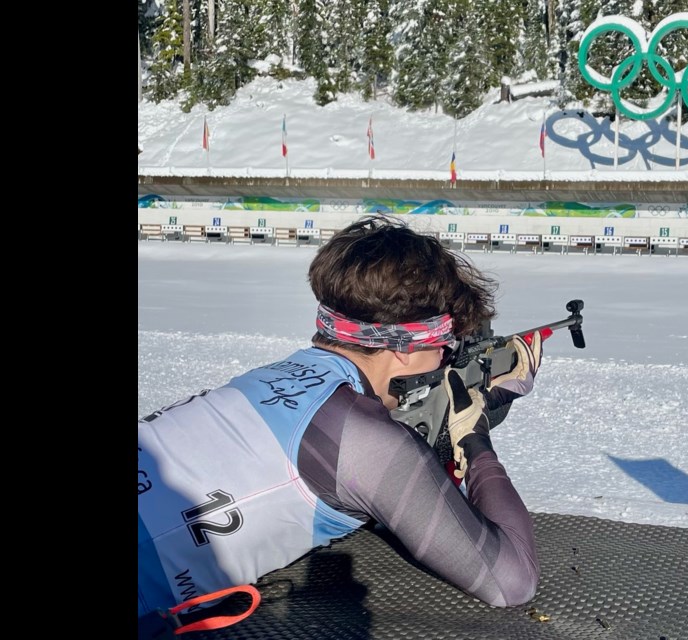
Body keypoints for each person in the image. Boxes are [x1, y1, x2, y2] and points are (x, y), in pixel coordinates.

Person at [138, 215, 543, 625]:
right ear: (405, 347)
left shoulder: (267, 378)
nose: (445, 357)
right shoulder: (367, 444)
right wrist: (475, 438)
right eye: (445, 344)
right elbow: (510, 580)